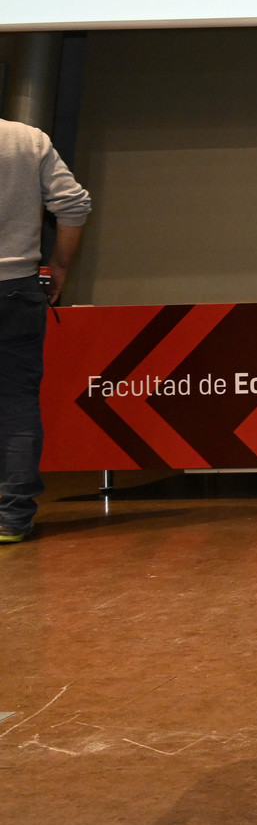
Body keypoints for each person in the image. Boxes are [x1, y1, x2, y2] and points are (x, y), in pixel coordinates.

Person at [0, 118, 90, 544]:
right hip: (17, 289)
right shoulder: (26, 139)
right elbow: (74, 204)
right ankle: (12, 518)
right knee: (17, 405)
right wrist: (59, 267)